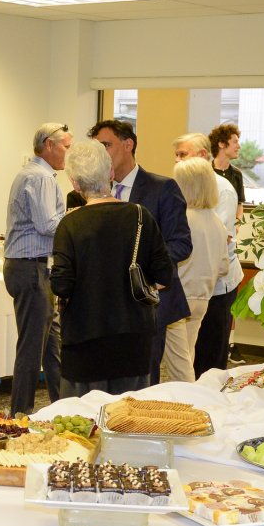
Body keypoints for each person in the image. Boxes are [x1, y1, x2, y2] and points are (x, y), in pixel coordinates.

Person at [51, 140, 177, 395]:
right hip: (133, 337)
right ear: (110, 174)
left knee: (82, 424)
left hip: (85, 339)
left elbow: (61, 285)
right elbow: (165, 275)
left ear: (74, 183)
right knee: (127, 420)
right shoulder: (141, 216)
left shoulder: (70, 224)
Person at [87, 119, 190, 387]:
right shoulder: (94, 193)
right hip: (105, 302)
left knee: (144, 378)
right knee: (105, 376)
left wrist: (142, 267)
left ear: (128, 144)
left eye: (105, 146)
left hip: (148, 300)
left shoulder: (161, 188)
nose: (101, 154)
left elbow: (180, 243)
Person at [2, 123, 71, 415]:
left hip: (30, 268)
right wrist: (77, 220)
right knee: (32, 348)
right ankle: (20, 415)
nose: (68, 152)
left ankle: (64, 407)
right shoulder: (41, 178)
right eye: (65, 146)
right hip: (31, 269)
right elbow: (48, 226)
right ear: (48, 145)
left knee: (53, 346)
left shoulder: (31, 174)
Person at [163, 158, 235, 383]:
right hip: (202, 297)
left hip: (178, 298)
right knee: (188, 355)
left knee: (179, 364)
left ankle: (189, 404)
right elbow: (224, 266)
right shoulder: (216, 221)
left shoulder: (181, 218)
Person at [197, 123, 247, 375]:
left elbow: (238, 208)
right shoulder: (204, 175)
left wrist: (230, 228)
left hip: (223, 261)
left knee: (215, 333)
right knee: (203, 337)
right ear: (221, 144)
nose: (239, 145)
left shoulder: (233, 178)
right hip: (204, 264)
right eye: (235, 141)